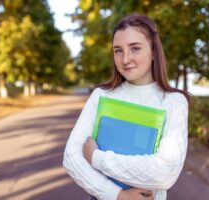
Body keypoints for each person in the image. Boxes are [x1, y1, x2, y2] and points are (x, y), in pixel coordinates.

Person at [63, 13, 190, 200]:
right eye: (118, 50)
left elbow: (164, 173)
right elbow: (71, 158)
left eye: (135, 48)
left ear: (153, 51)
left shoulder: (174, 102)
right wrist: (119, 195)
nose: (125, 59)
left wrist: (96, 158)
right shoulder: (101, 96)